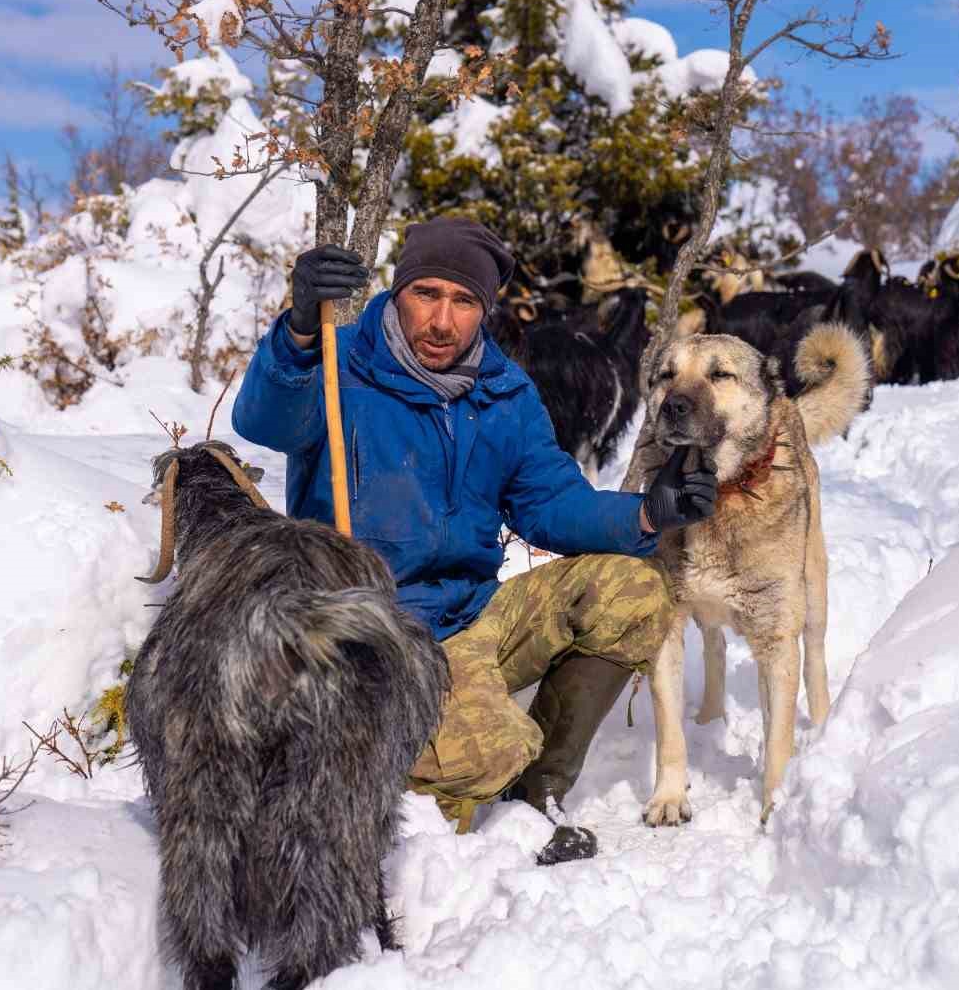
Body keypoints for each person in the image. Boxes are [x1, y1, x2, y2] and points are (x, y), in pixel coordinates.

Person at [232, 217, 717, 865]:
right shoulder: (338, 362)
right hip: (368, 637)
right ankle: (413, 817)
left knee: (634, 589)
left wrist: (648, 515)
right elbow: (263, 420)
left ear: (485, 311)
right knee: (490, 750)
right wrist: (295, 330)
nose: (442, 320)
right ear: (398, 292)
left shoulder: (503, 393)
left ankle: (536, 795)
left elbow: (550, 503)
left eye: (464, 302)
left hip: (471, 617)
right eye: (426, 294)